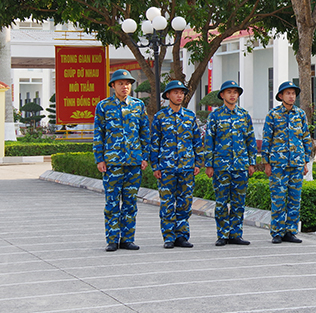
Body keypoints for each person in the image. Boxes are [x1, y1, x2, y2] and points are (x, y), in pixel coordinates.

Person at [93, 69, 149, 252]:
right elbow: (98, 134)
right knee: (112, 202)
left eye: (127, 83)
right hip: (112, 162)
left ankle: (127, 239)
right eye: (120, 83)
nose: (125, 87)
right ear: (113, 86)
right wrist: (99, 159)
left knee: (130, 202)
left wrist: (144, 157)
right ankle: (112, 239)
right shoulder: (103, 106)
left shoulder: (138, 105)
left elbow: (144, 133)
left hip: (133, 162)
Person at [150, 79, 203, 249]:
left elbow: (196, 140)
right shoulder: (160, 117)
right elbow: (154, 143)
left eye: (181, 93)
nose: (179, 95)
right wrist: (155, 166)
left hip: (186, 166)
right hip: (166, 167)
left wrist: (198, 162)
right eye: (175, 92)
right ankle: (168, 236)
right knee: (167, 202)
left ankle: (182, 235)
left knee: (185, 202)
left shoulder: (189, 116)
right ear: (167, 95)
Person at [204, 80, 257, 246]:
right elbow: (209, 140)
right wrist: (209, 164)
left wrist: (251, 162)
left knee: (238, 202)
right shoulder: (215, 116)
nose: (233, 95)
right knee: (221, 202)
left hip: (240, 165)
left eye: (235, 92)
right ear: (222, 95)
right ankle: (222, 234)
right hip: (221, 166)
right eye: (229, 92)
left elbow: (250, 140)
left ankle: (236, 234)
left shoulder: (244, 115)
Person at [262, 81, 312, 244]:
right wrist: (266, 163)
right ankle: (277, 231)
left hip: (296, 163)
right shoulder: (273, 115)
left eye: (293, 93)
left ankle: (290, 231)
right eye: (288, 93)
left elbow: (305, 138)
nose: (291, 96)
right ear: (280, 96)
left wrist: (305, 161)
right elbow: (267, 139)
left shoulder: (300, 114)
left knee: (294, 198)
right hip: (278, 164)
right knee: (278, 198)